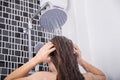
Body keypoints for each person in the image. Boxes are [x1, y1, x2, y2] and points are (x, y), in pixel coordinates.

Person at [5, 36, 106, 80]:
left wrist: (36, 59)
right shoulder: (87, 77)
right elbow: (102, 76)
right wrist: (80, 60)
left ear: (49, 57)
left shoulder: (43, 78)